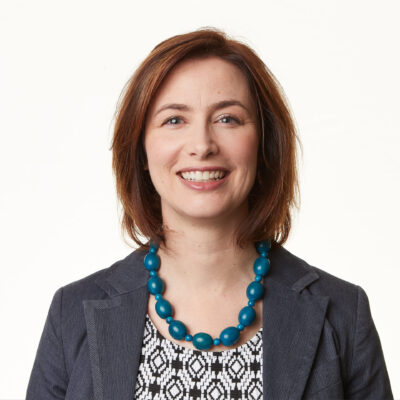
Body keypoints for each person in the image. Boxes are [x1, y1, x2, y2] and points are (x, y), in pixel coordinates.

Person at [26, 27, 393, 399]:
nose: (202, 146)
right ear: (141, 151)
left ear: (264, 144)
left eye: (227, 119)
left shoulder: (344, 313)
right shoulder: (70, 314)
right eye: (174, 120)